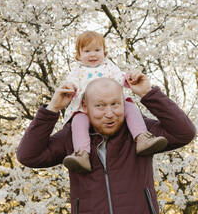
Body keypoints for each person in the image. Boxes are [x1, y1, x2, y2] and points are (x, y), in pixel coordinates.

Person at [17, 73, 197, 214]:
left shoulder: (139, 131)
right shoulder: (72, 136)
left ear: (125, 104)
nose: (109, 113)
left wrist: (148, 93)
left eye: (115, 104)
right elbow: (28, 155)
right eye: (100, 106)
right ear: (85, 107)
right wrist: (52, 109)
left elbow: (184, 132)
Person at [59, 31, 167, 173]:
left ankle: (142, 137)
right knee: (78, 122)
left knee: (130, 107)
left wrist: (131, 78)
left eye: (97, 50)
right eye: (87, 51)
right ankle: (82, 154)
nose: (92, 54)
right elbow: (70, 83)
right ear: (78, 55)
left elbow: (120, 77)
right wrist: (69, 89)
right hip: (85, 109)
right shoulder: (77, 71)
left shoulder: (108, 66)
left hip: (113, 103)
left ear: (105, 52)